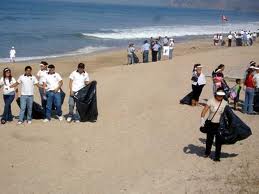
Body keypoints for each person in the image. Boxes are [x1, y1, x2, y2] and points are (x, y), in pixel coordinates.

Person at [200, 88, 228, 162]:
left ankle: (217, 157)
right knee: (209, 140)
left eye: (222, 96)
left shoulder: (225, 103)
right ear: (216, 94)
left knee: (219, 141)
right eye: (219, 95)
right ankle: (207, 153)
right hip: (210, 123)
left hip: (220, 125)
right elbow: (204, 110)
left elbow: (228, 115)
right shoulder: (211, 100)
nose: (220, 97)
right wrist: (202, 118)